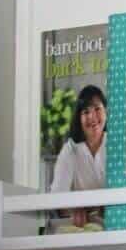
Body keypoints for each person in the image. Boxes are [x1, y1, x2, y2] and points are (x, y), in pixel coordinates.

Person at [50, 84, 107, 229]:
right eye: (86, 112)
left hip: (115, 224)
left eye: (97, 109)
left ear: (106, 111)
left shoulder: (115, 144)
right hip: (82, 227)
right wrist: (73, 209)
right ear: (79, 118)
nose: (92, 116)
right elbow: (57, 197)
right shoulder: (70, 150)